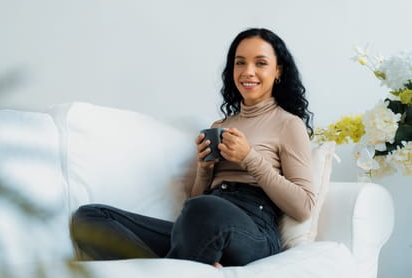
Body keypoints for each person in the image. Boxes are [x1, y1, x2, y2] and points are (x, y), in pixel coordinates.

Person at [70, 28, 315, 267]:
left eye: (260, 63)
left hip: (254, 230)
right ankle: (183, 267)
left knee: (205, 210)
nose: (248, 72)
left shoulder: (288, 124)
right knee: (90, 218)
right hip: (203, 224)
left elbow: (303, 207)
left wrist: (250, 157)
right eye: (240, 63)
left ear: (278, 71)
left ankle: (180, 265)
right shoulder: (220, 125)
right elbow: (197, 202)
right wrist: (205, 169)